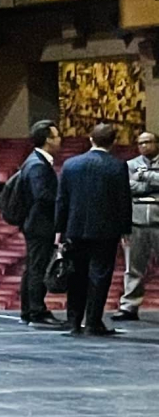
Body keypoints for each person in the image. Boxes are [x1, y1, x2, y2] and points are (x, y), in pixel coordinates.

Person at [60, 123, 132, 336]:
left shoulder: (71, 164)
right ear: (113, 142)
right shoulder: (117, 166)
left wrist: (59, 229)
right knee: (100, 276)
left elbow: (62, 200)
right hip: (105, 230)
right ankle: (93, 322)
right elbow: (123, 201)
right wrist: (125, 229)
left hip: (75, 228)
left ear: (90, 138)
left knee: (76, 275)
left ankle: (73, 321)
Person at [4, 120, 62, 328]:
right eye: (56, 136)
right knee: (37, 268)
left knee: (32, 268)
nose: (59, 139)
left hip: (35, 224)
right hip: (40, 224)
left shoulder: (34, 161)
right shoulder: (37, 165)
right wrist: (63, 198)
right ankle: (36, 311)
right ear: (47, 139)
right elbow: (43, 195)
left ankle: (28, 310)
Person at [124, 131, 159, 320]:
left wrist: (144, 177)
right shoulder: (130, 165)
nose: (144, 146)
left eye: (148, 142)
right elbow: (128, 187)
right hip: (136, 222)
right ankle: (129, 306)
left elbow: (137, 186)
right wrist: (153, 187)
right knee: (134, 267)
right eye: (140, 143)